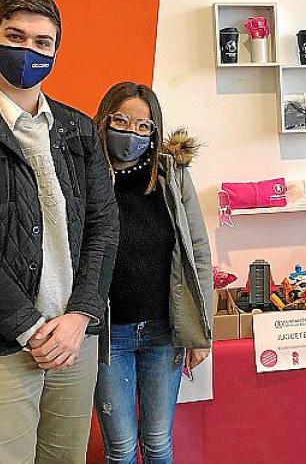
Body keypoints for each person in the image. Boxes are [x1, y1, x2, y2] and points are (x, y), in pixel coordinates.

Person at [0, 0, 119, 463]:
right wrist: (28, 326)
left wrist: (81, 314)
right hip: (8, 343)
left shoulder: (78, 129)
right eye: (15, 36)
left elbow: (103, 226)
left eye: (42, 42)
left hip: (74, 337)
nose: (28, 50)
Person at [92, 82, 213, 464]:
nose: (132, 133)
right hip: (108, 335)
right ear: (104, 119)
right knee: (121, 447)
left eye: (143, 126)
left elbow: (197, 252)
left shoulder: (171, 175)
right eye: (122, 121)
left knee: (158, 442)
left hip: (163, 330)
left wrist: (200, 332)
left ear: (155, 131)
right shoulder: (86, 174)